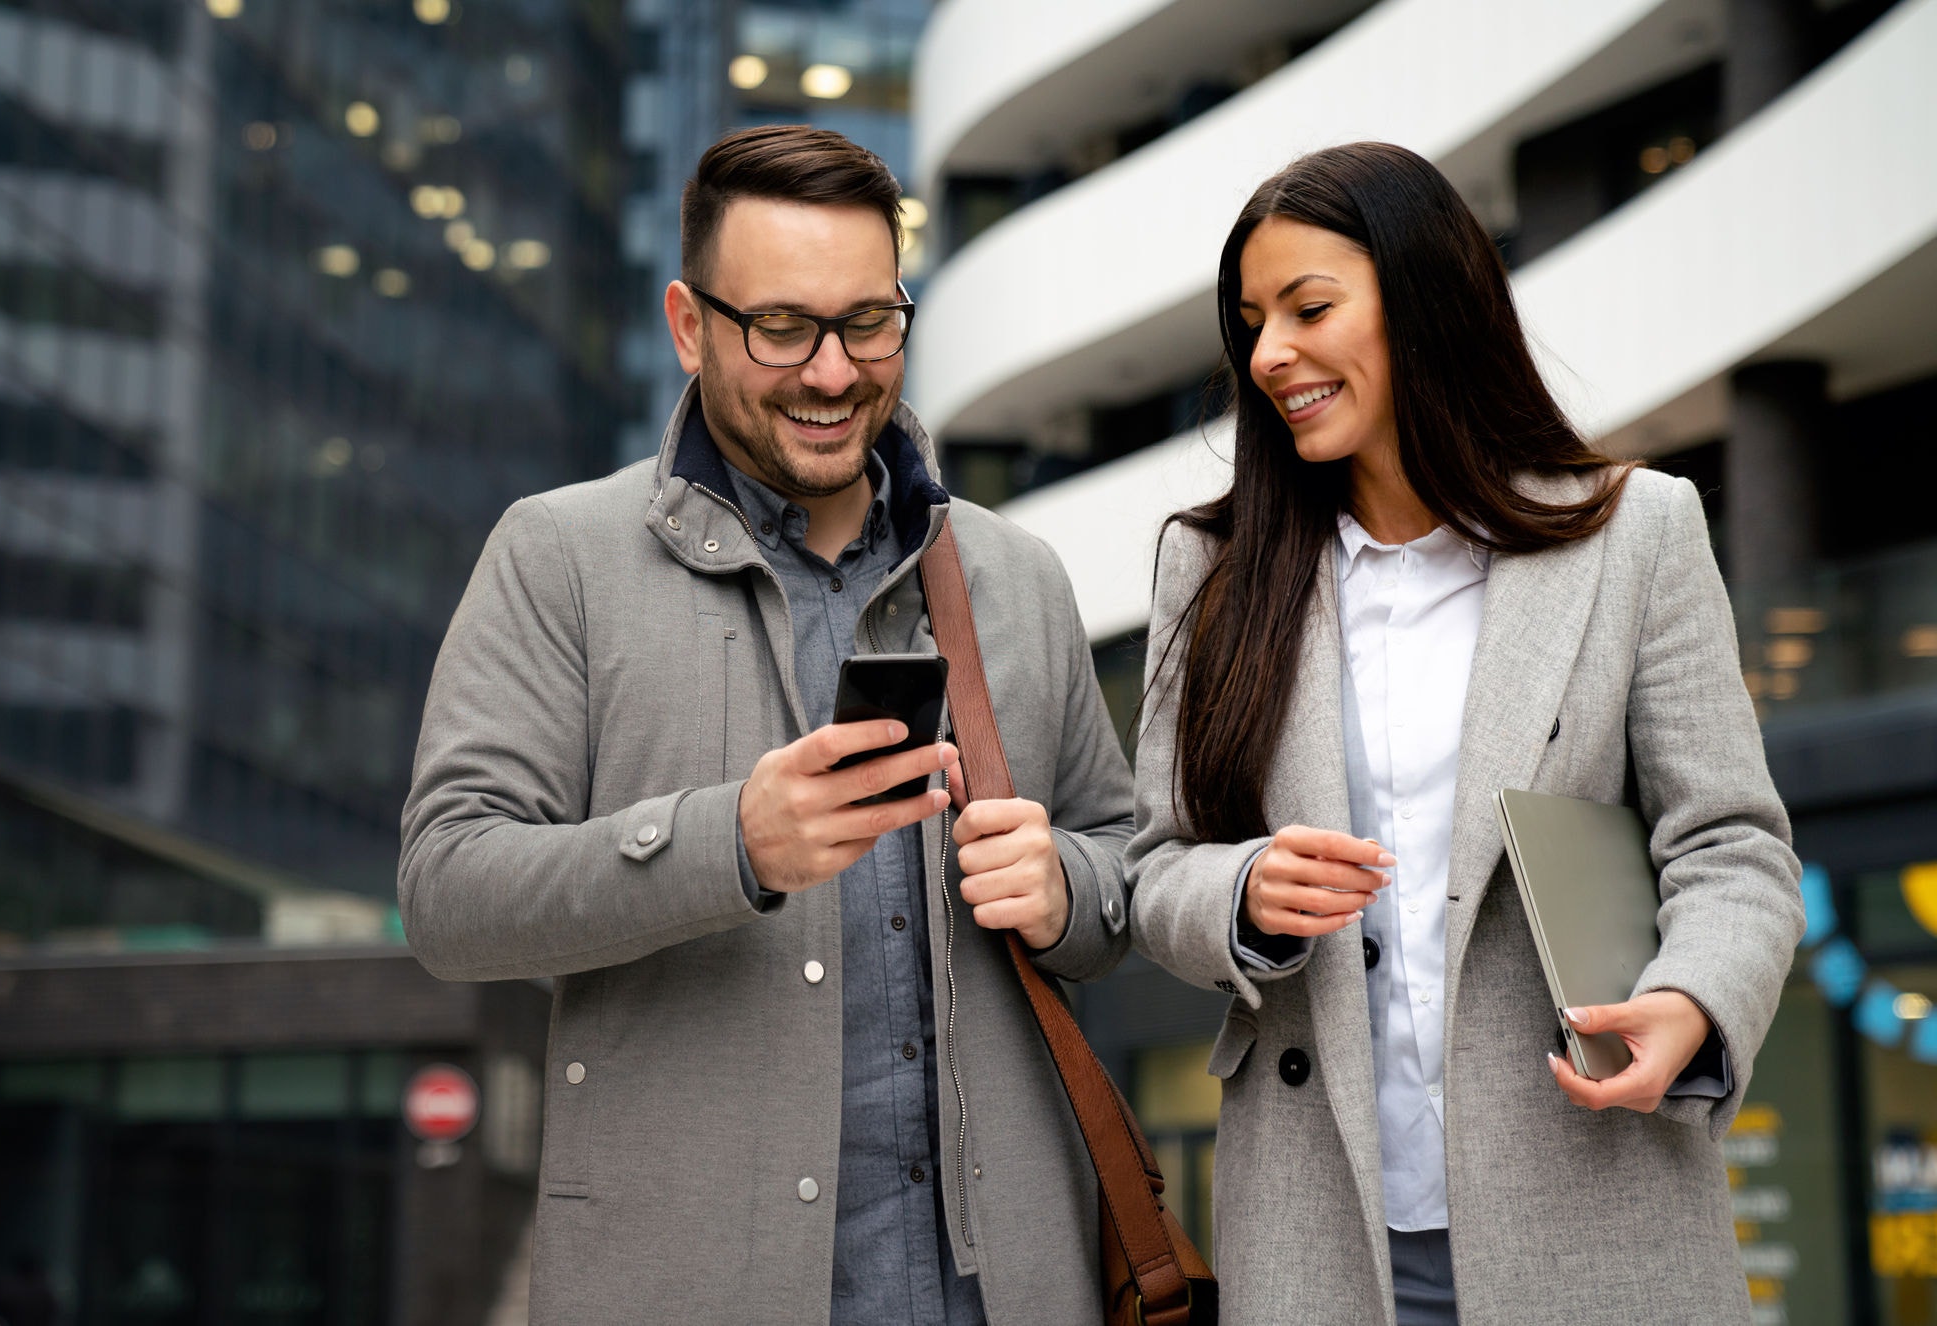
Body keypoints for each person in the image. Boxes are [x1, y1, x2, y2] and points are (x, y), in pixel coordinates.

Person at [399, 125, 1136, 1325]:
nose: (833, 373)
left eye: (867, 323)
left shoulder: (1015, 575)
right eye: (782, 328)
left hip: (1004, 1292)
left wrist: (1064, 887)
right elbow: (446, 891)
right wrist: (728, 844)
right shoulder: (555, 557)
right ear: (690, 326)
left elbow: (1121, 871)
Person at [1125, 142, 1803, 1325]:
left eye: (1308, 307)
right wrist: (1241, 892)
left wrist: (1691, 998)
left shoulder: (1633, 534)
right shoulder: (1212, 565)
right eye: (1250, 322)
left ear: (1426, 301)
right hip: (1312, 1223)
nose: (1269, 353)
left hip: (1586, 1193)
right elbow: (1153, 870)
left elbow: (1731, 846)